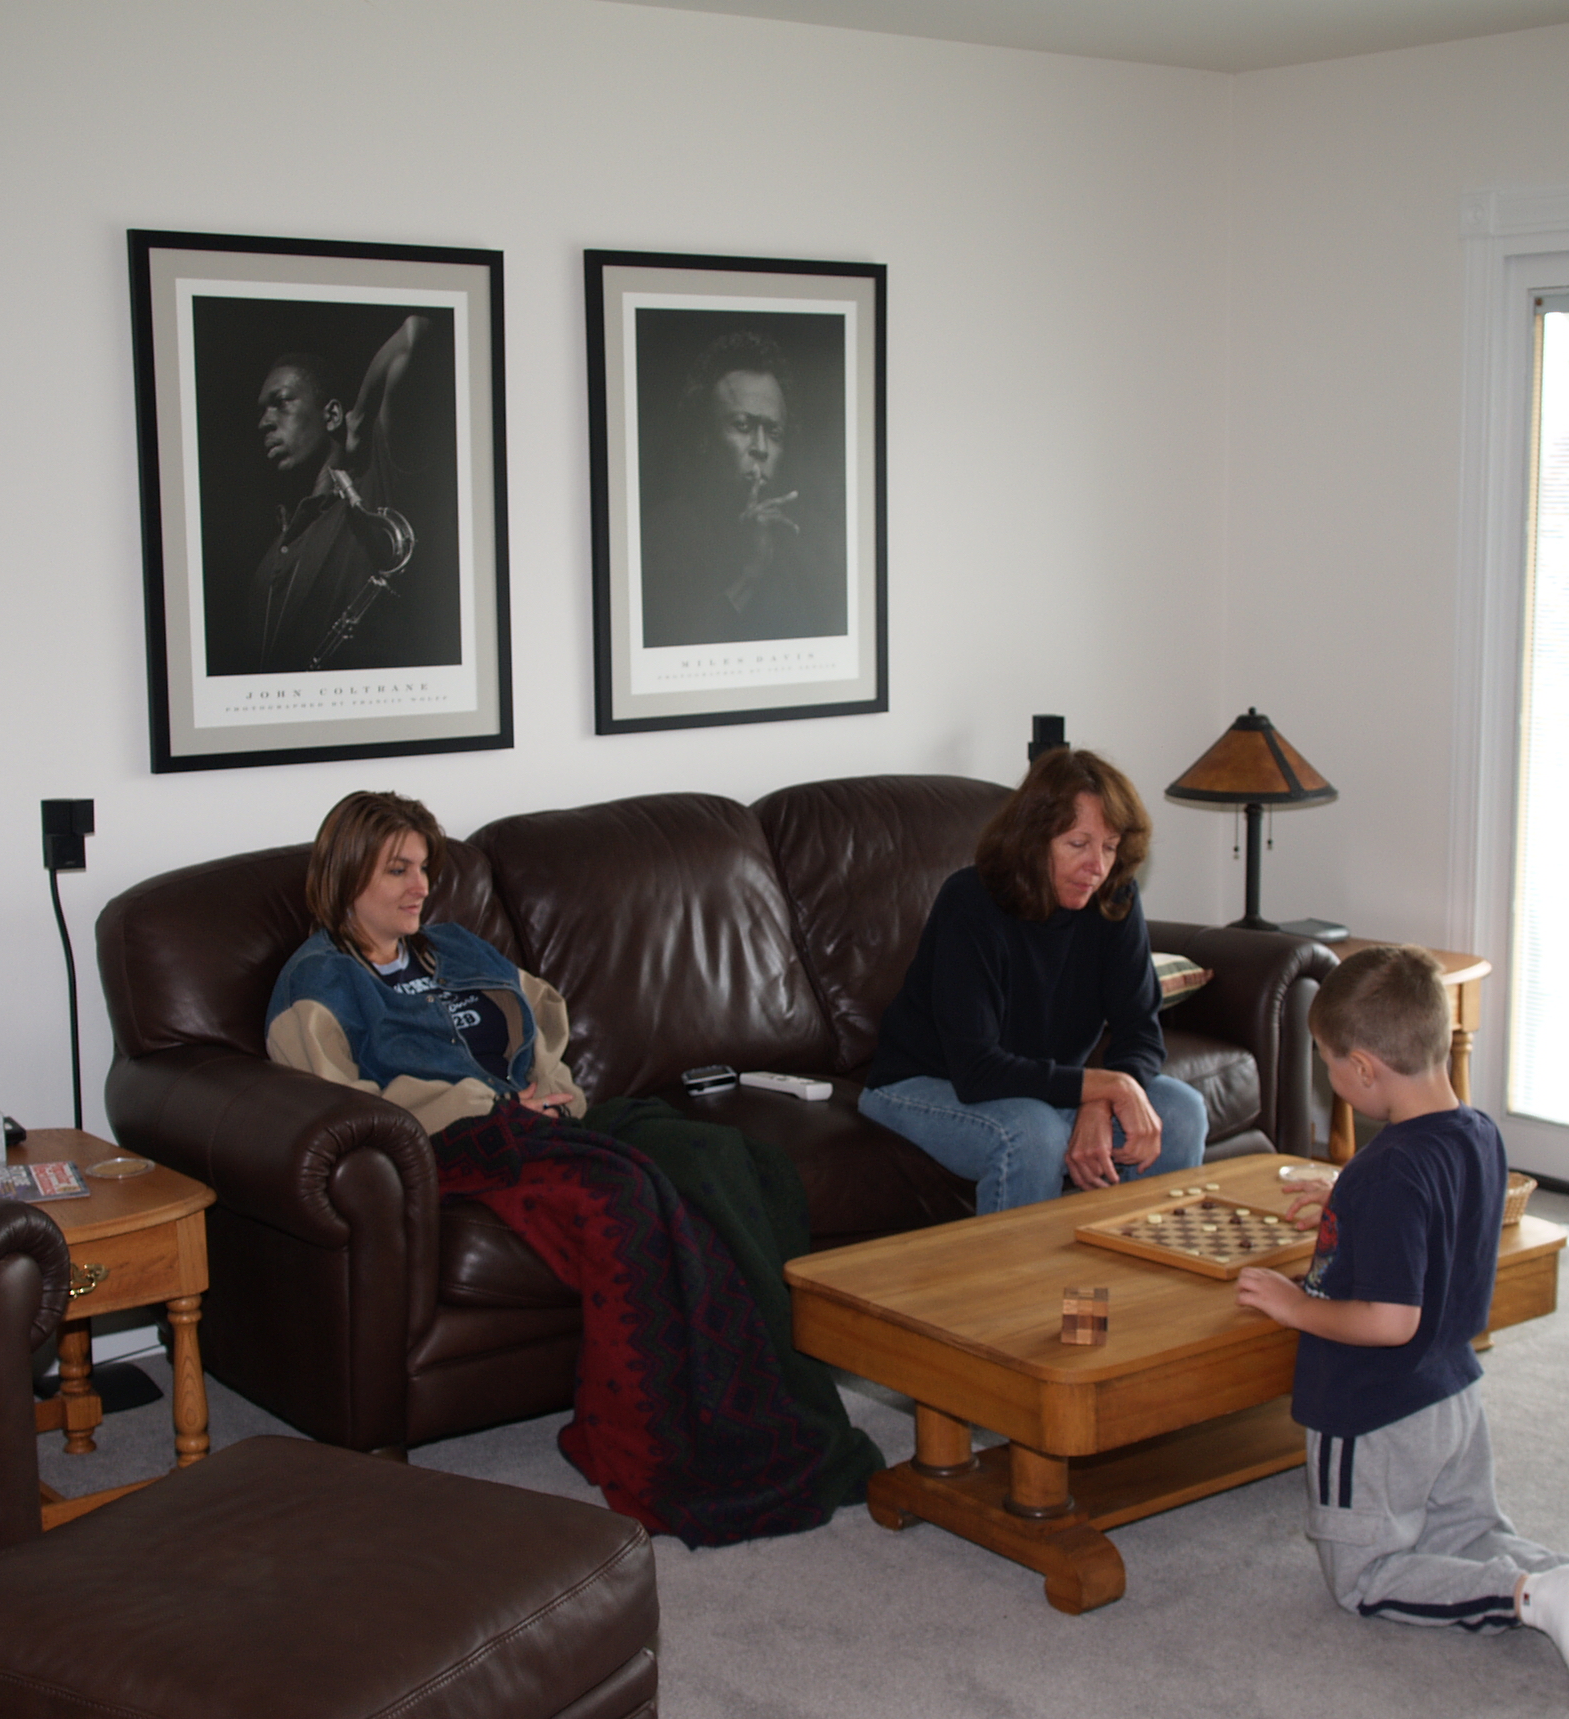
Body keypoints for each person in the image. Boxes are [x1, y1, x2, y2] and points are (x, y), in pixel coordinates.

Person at [265, 791, 882, 1545]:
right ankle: (650, 1452)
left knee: (732, 1160)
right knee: (625, 1196)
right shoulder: (320, 981)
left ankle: (784, 1409)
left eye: (424, 868)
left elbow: (539, 1016)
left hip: (541, 1120)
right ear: (345, 873)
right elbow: (340, 1107)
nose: (419, 887)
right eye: (398, 870)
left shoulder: (452, 946)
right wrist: (484, 1106)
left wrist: (550, 1091)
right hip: (456, 1147)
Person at [1235, 944, 1569, 1698]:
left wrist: (1295, 1305)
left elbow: (1389, 1320)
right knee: (1469, 1534)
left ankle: (1530, 1599)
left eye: (1327, 1060)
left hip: (1373, 1410)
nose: (1327, 1073)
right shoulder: (1478, 1133)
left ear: (1363, 1068)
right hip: (1452, 1394)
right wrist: (1349, 1201)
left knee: (1366, 1578)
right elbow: (1433, 1212)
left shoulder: (1385, 1173)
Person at [859, 746, 1208, 1214]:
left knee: (1182, 1111)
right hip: (921, 1085)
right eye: (1078, 844)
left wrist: (1100, 1101)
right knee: (1032, 1134)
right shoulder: (971, 903)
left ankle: (1136, 1259)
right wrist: (1107, 1086)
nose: (1097, 867)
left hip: (1034, 1088)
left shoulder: (1113, 898)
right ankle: (1018, 1267)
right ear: (1032, 840)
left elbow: (1140, 1031)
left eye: (1109, 846)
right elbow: (978, 1070)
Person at [235, 319, 447, 676]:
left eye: (280, 403)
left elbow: (414, 335)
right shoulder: (275, 549)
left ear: (332, 415)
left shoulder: (373, 490)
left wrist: (360, 416)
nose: (264, 423)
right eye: (261, 412)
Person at [639, 330, 843, 647]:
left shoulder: (817, 545)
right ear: (704, 437)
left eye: (774, 433)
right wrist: (751, 573)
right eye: (743, 426)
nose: (760, 447)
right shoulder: (659, 537)